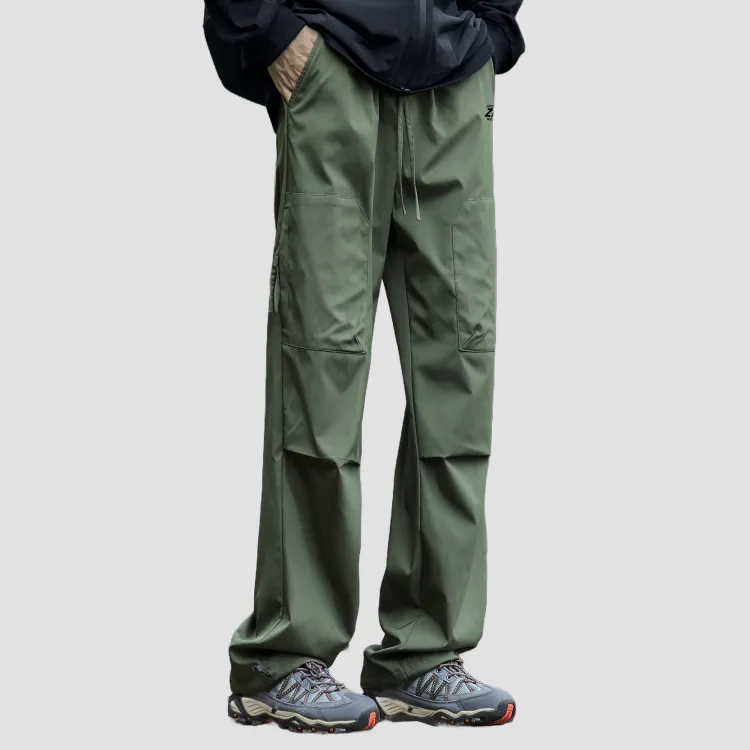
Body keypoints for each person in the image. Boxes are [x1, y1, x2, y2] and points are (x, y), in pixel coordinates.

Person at [204, 0, 525, 733]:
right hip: (334, 66)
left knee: (459, 370)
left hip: (453, 79)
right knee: (321, 369)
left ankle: (422, 654)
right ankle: (281, 659)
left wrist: (492, 29)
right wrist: (269, 32)